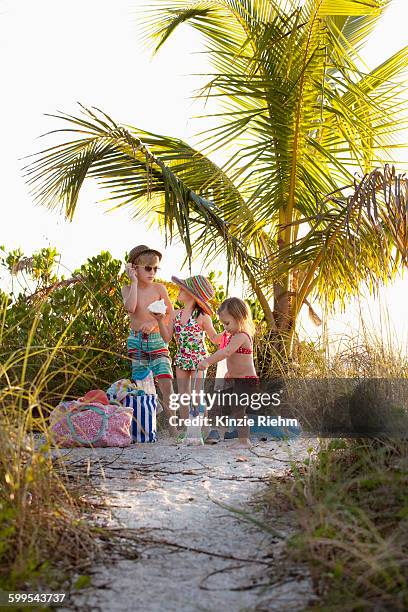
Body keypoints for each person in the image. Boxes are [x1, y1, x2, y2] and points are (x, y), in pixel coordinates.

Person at [151, 274, 223, 442]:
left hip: (199, 360)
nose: (179, 291)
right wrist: (160, 321)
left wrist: (228, 332)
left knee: (198, 395)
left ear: (192, 294)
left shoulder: (203, 317)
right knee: (184, 395)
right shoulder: (175, 315)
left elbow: (213, 338)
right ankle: (186, 429)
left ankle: (207, 430)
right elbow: (166, 338)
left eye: (182, 289)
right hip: (182, 359)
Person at [121, 244, 176, 434]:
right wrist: (134, 282)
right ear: (134, 268)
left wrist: (154, 324)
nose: (152, 272)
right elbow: (130, 308)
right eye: (147, 268)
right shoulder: (127, 288)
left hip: (156, 339)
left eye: (155, 268)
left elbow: (170, 313)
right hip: (136, 341)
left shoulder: (159, 288)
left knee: (165, 382)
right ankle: (148, 425)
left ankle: (173, 426)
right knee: (142, 385)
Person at [197, 297, 258, 449]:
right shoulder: (234, 336)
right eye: (223, 324)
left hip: (247, 381)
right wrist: (231, 372)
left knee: (239, 410)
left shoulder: (241, 336)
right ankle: (242, 439)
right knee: (236, 409)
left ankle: (245, 441)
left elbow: (226, 352)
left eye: (227, 323)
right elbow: (237, 359)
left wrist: (207, 361)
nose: (225, 327)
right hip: (239, 379)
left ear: (240, 318)